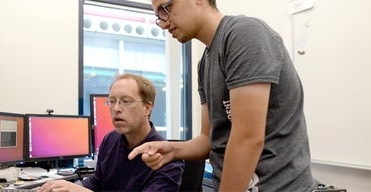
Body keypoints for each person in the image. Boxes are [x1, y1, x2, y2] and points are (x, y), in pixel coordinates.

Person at [128, 0, 318, 191]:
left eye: (166, 8)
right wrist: (173, 149)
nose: (163, 22)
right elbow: (208, 140)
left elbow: (248, 138)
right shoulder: (204, 64)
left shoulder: (245, 34)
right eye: (158, 15)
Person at [37, 73, 184, 192]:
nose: (116, 109)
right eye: (112, 101)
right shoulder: (110, 140)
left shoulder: (168, 158)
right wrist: (69, 188)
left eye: (126, 101)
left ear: (147, 107)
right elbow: (97, 182)